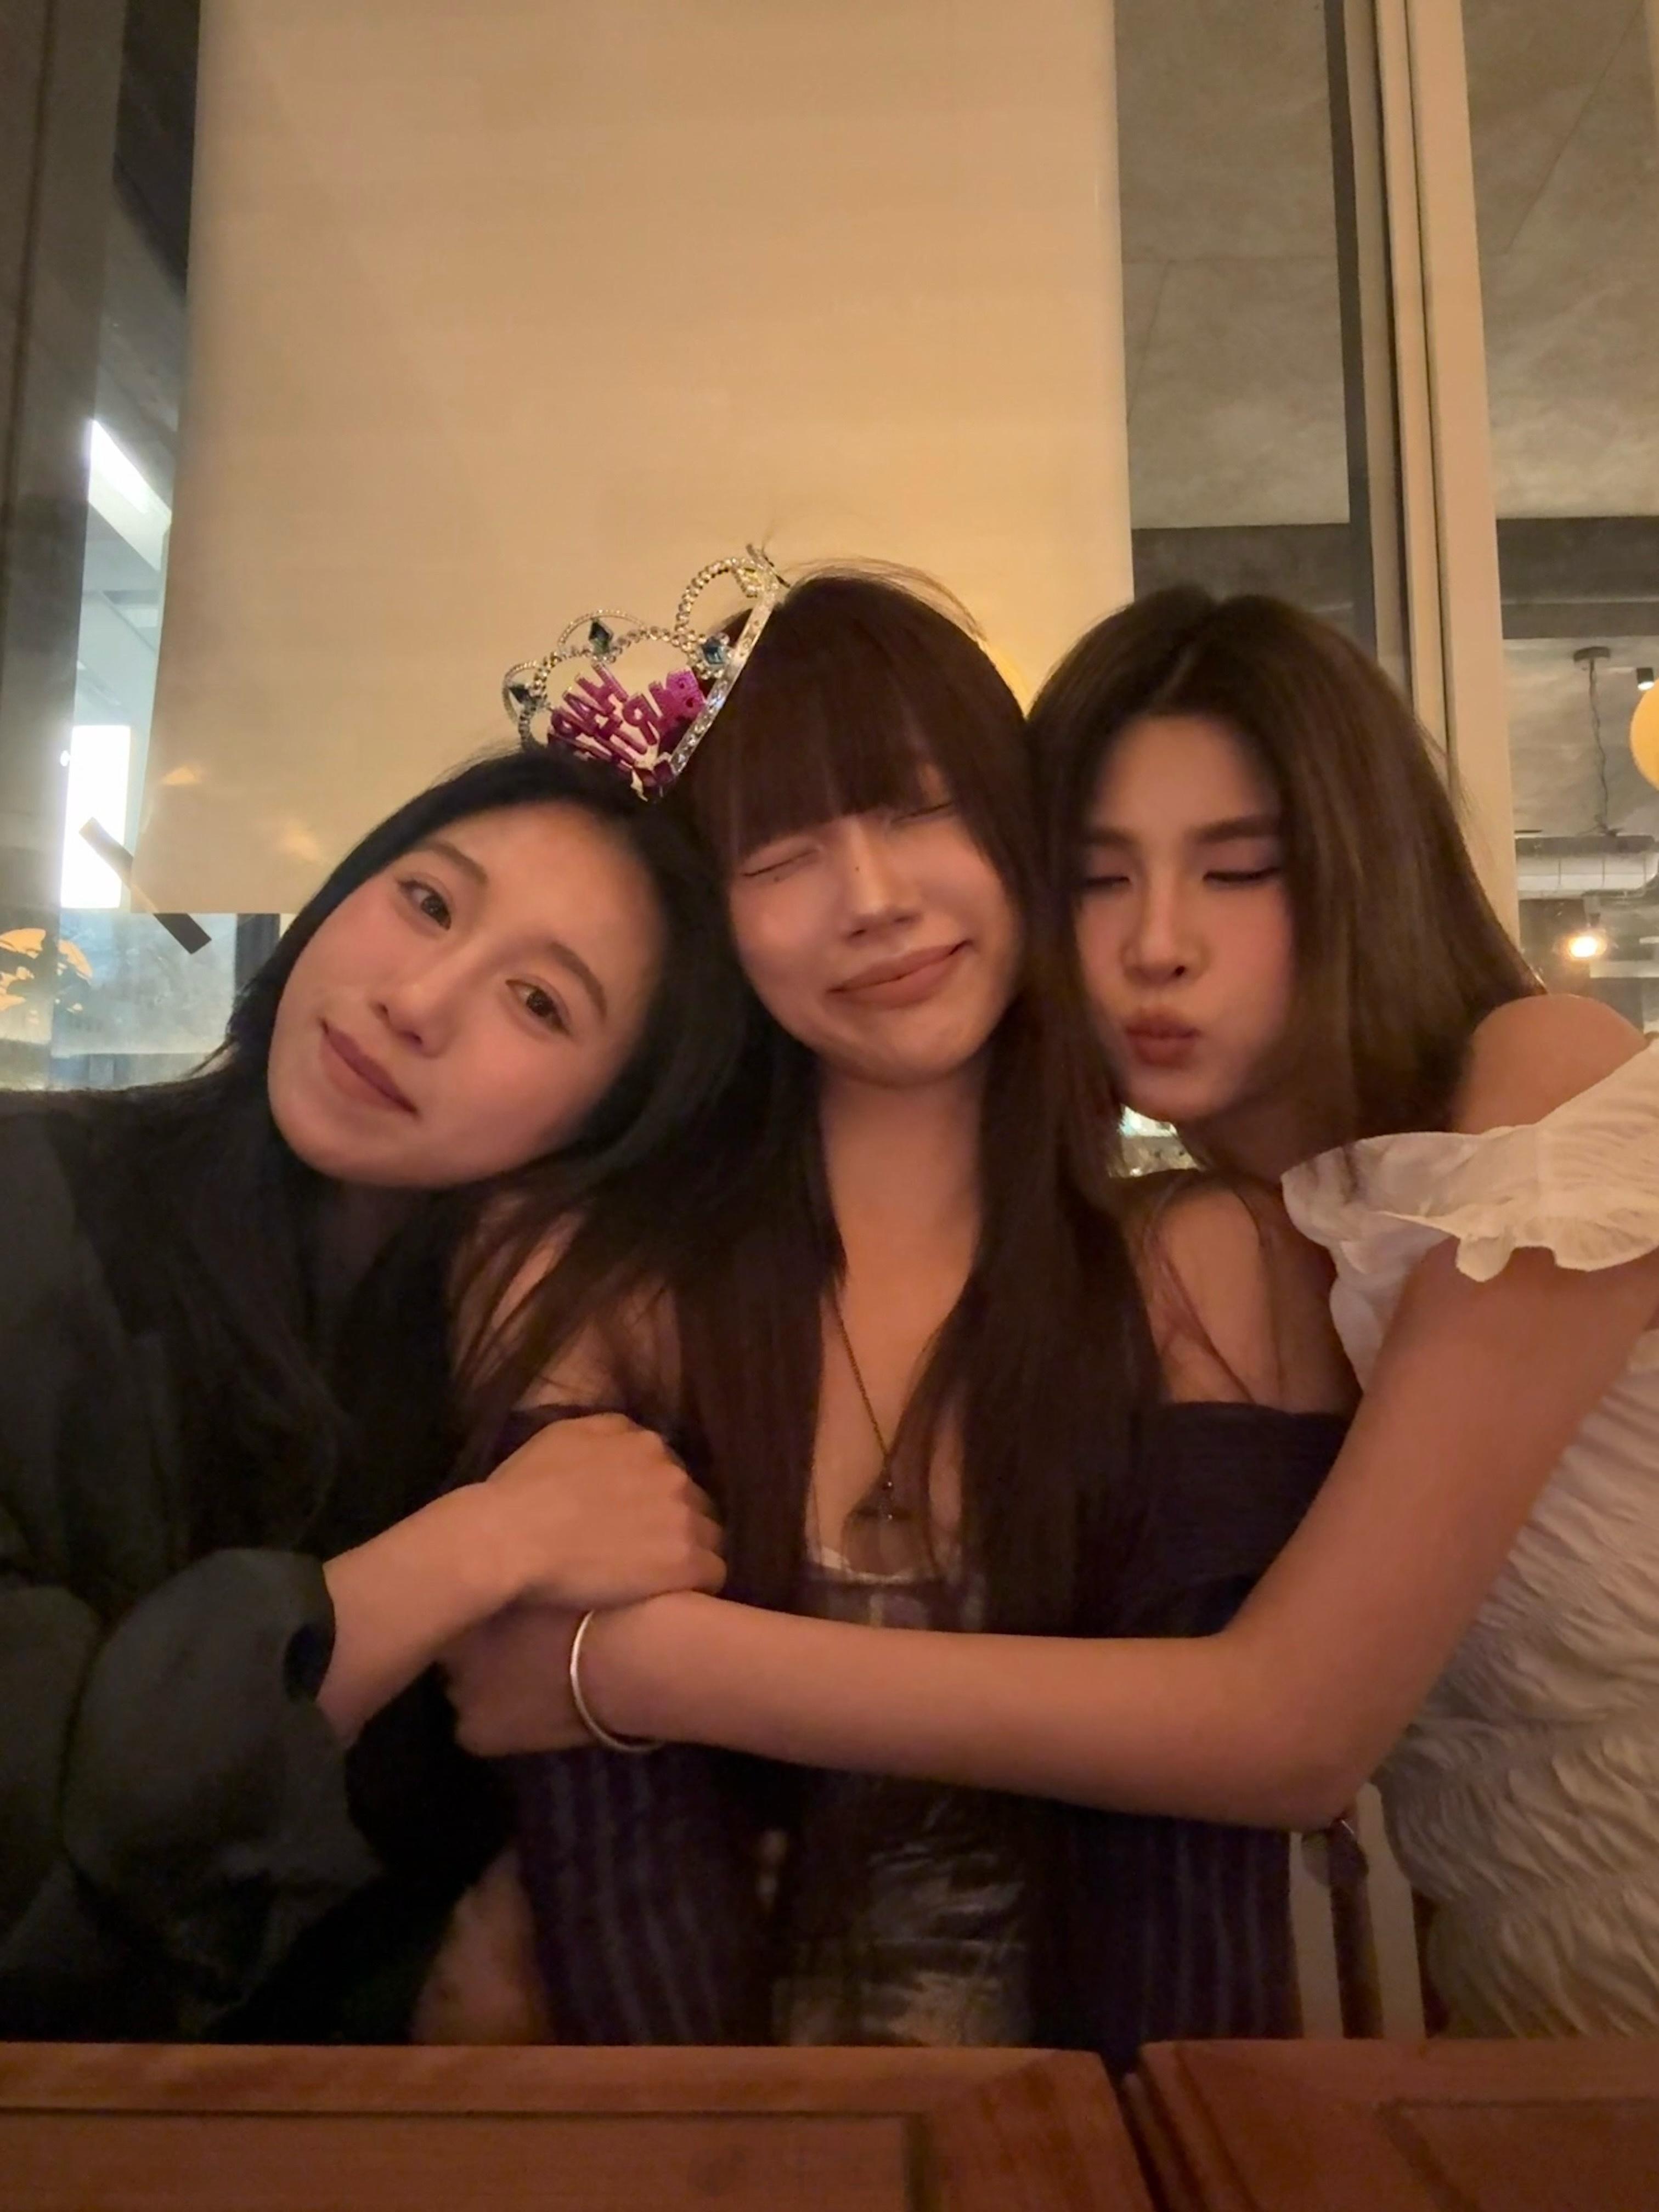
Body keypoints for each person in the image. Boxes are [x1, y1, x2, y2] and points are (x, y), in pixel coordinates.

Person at [498, 584, 1659, 2045]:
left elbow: (1296, 1729)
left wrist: (634, 1666)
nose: (1156, 944)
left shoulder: (1545, 1084)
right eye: (1101, 879)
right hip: (1540, 2027)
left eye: (1239, 870)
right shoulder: (1263, 1239)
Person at [443, 570, 1352, 2068]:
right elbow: (609, 1854)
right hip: (700, 2133)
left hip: (1106, 2129)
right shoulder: (586, 1275)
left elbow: (1193, 1888)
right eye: (782, 852)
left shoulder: (1206, 1265)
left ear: (1019, 836)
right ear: (711, 918)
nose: (871, 899)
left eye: (920, 808)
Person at [0, 744, 742, 2041]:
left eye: (538, 1002)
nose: (416, 1000)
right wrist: (480, 1545)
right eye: (428, 900)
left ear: (610, 1122)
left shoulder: (541, 1378)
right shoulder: (31, 1211)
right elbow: (49, 1867)